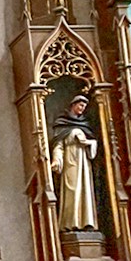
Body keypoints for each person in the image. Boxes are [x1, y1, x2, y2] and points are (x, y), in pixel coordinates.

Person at [49, 94, 100, 231]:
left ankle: (87, 222)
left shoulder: (85, 125)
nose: (82, 109)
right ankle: (70, 223)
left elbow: (93, 143)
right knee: (72, 191)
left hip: (83, 162)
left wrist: (87, 142)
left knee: (85, 192)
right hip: (70, 163)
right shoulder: (62, 124)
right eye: (80, 105)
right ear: (73, 105)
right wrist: (56, 160)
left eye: (84, 106)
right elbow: (58, 145)